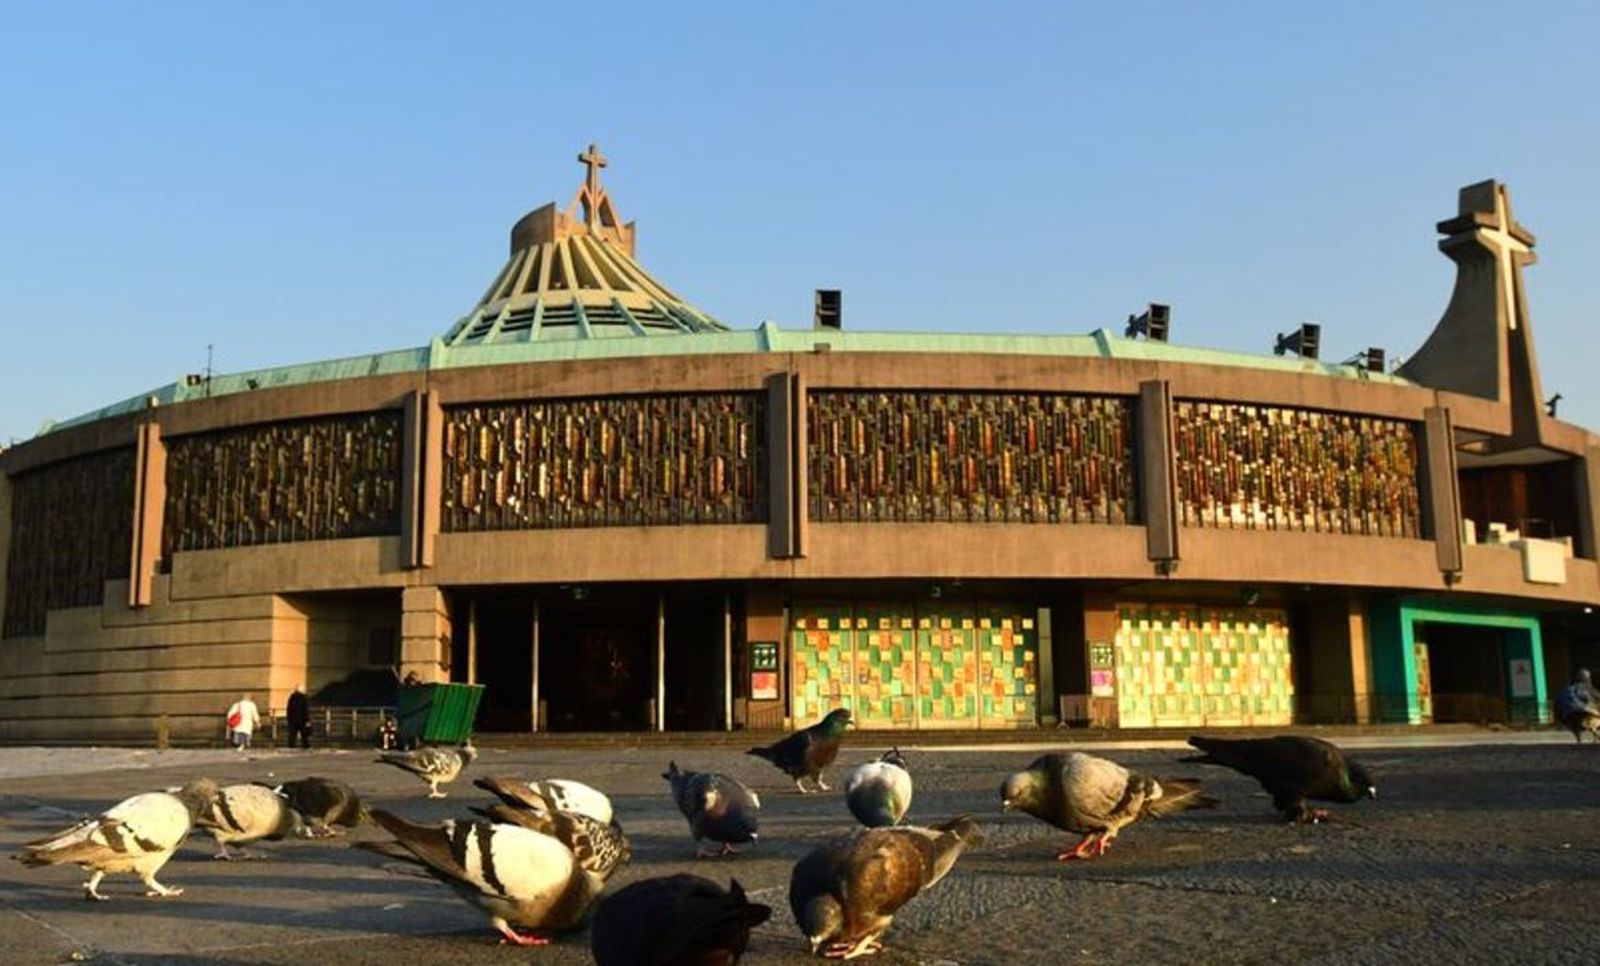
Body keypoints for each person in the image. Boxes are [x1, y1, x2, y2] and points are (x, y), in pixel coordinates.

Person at [286, 684, 311, 750]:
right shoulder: (304, 698)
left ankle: (291, 746)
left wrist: (289, 718)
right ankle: (306, 746)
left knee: (292, 734)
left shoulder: (292, 697)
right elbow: (306, 709)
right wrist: (307, 720)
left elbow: (289, 709)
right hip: (302, 719)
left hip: (293, 719)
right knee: (304, 734)